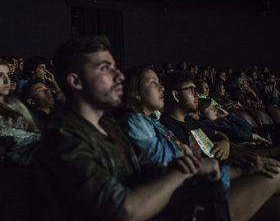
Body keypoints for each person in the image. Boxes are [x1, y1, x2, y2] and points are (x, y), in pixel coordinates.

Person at [33, 35, 223, 221]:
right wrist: (182, 173)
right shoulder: (63, 136)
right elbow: (123, 210)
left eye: (115, 67)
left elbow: (146, 168)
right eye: (105, 68)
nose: (119, 76)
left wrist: (183, 167)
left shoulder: (109, 126)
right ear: (76, 81)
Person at [160, 71, 280, 220]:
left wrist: (224, 142)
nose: (197, 95)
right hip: (215, 180)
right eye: (191, 90)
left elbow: (218, 134)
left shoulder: (190, 121)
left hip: (229, 163)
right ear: (176, 95)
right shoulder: (167, 128)